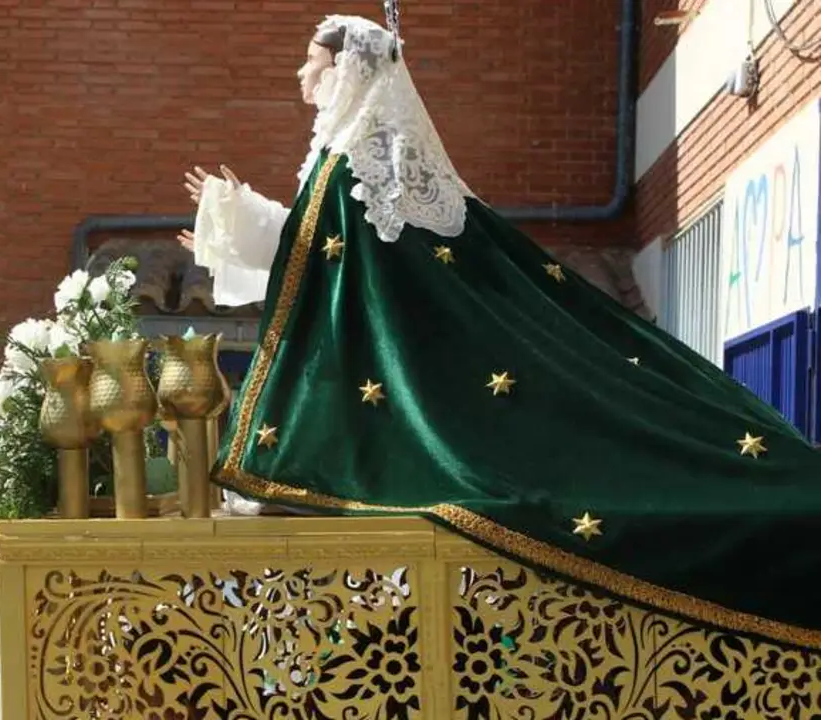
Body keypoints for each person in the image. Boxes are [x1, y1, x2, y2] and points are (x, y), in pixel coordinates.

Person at [181, 3, 821, 650]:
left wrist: (237, 219)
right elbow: (334, 260)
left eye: (312, 61)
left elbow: (336, 257)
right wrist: (236, 221)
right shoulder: (359, 168)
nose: (300, 74)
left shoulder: (359, 172)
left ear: (347, 70)